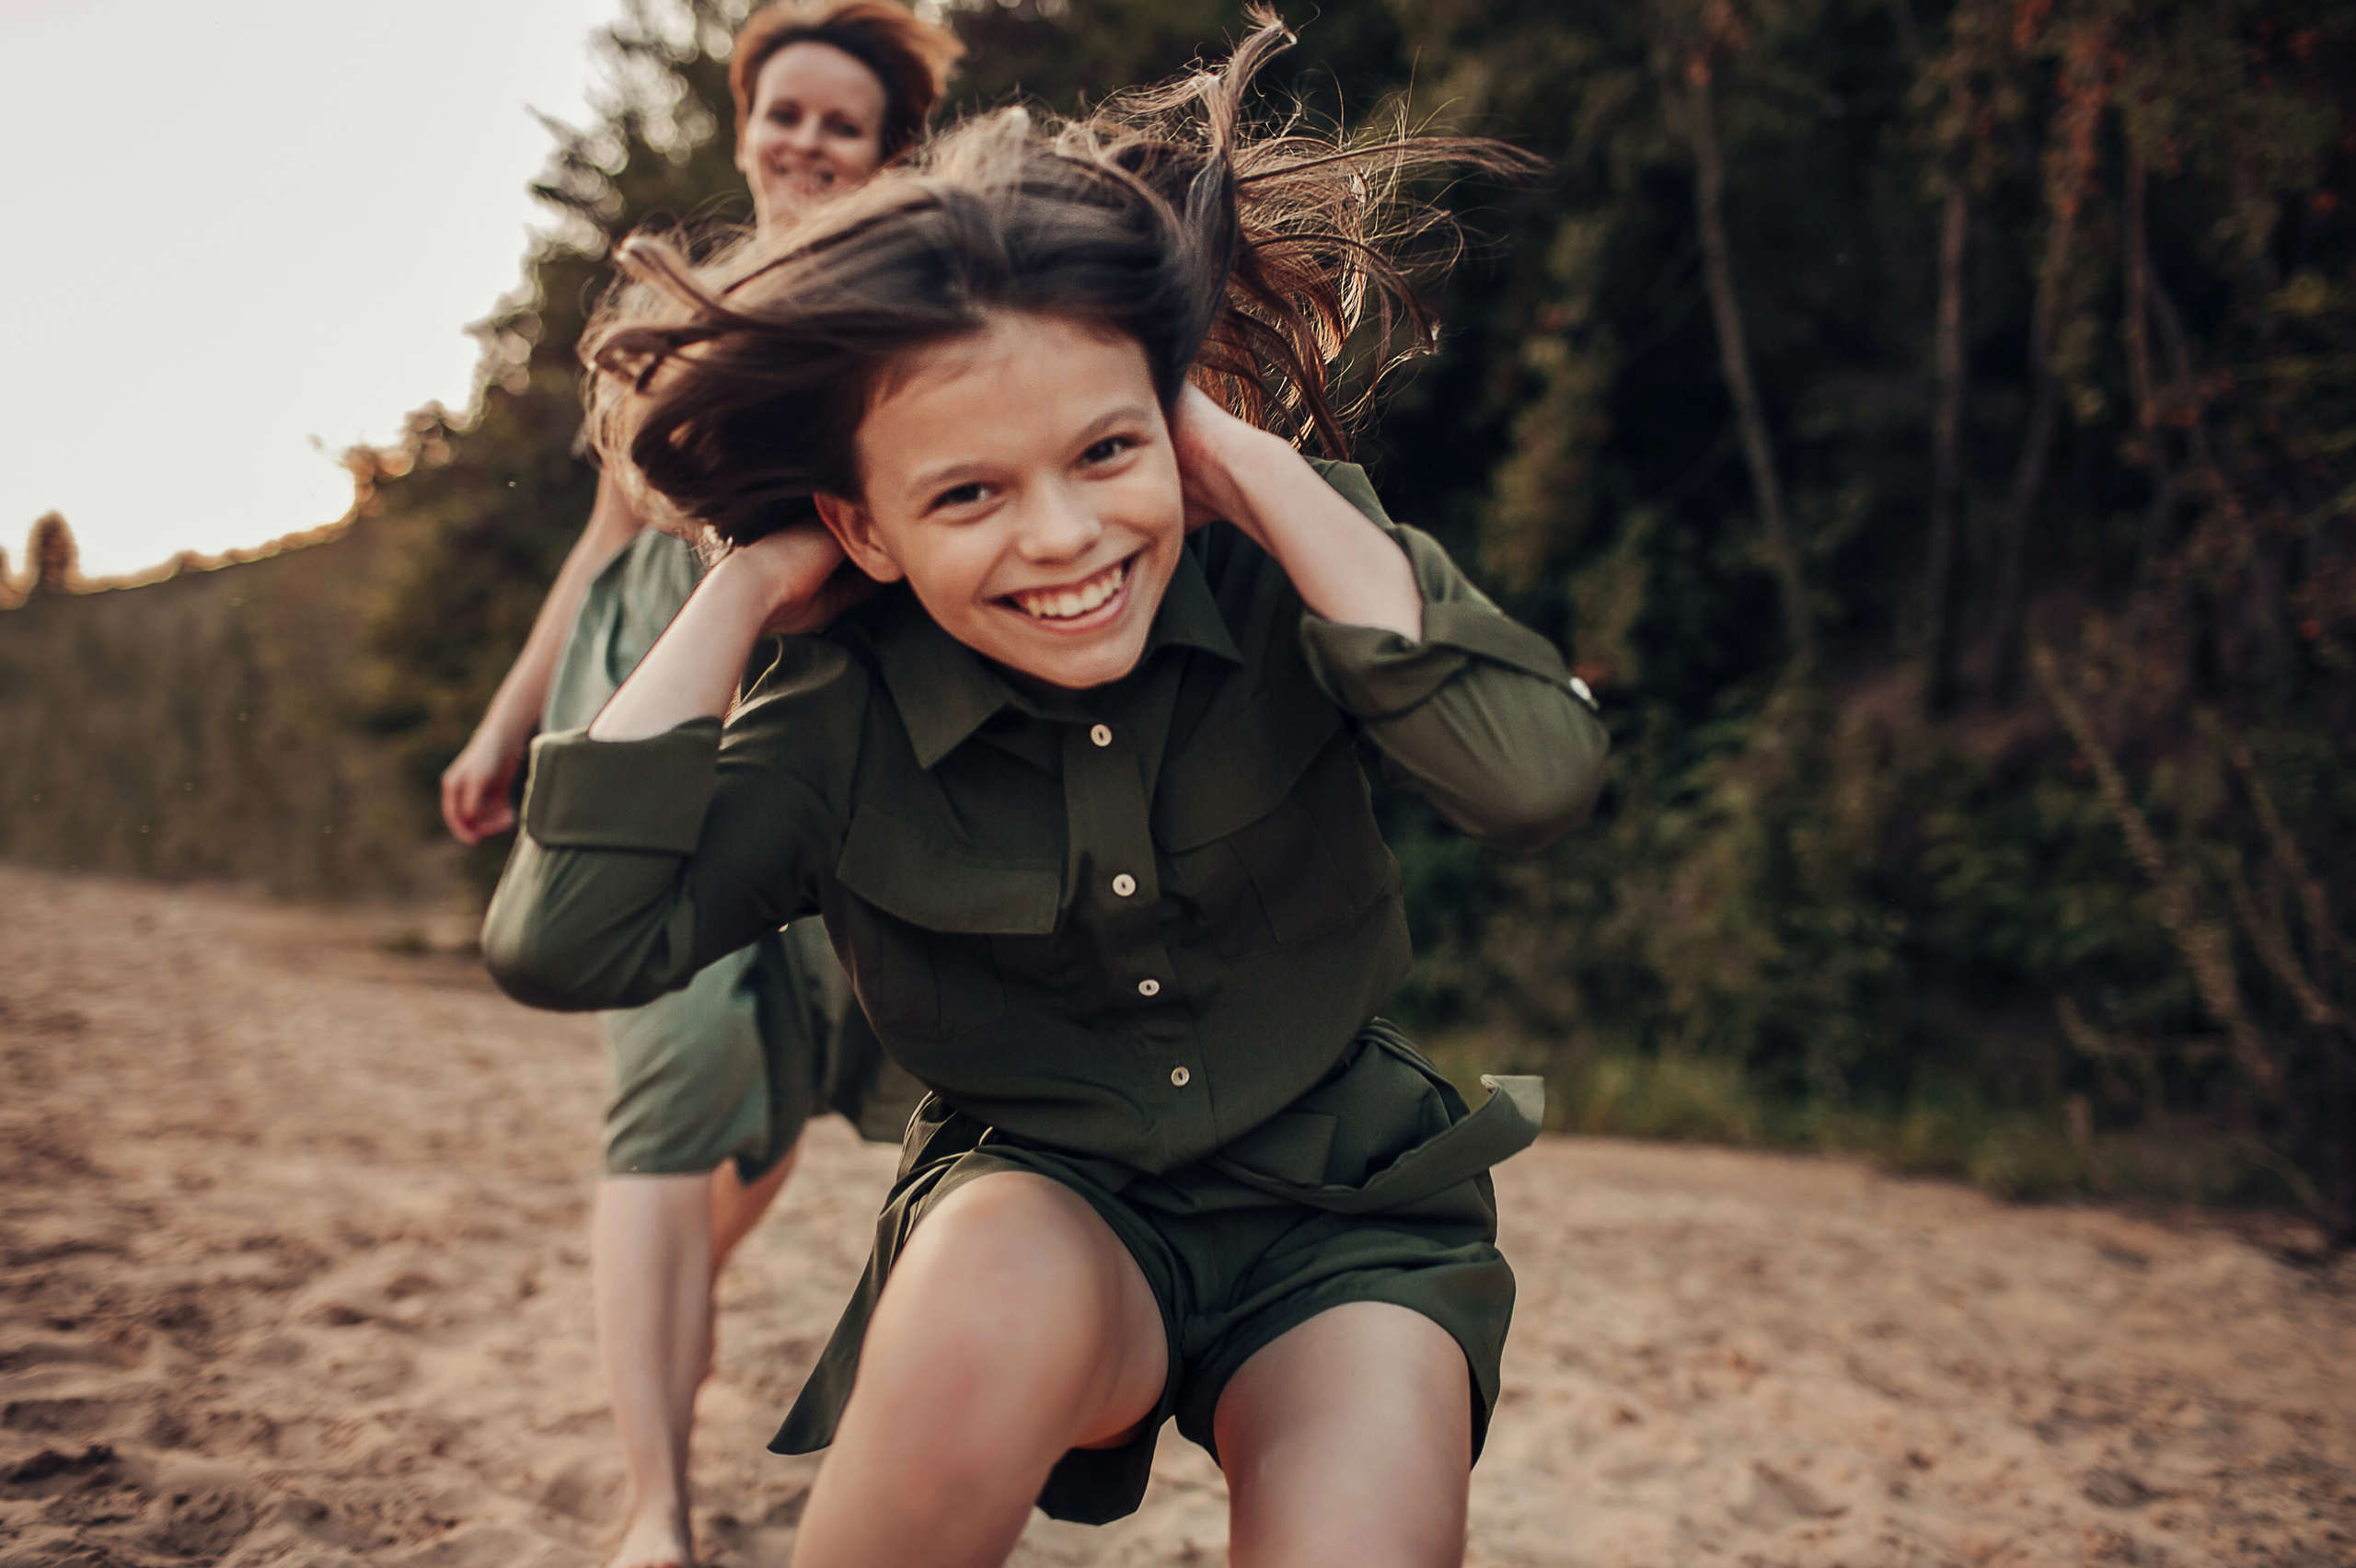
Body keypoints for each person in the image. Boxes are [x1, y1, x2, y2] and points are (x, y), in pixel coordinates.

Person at [483, 16, 1610, 1567]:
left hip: (1346, 1217)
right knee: (986, 1282)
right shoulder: (838, 707)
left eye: (1104, 451)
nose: (1065, 538)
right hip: (1047, 1215)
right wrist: (745, 593)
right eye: (966, 493)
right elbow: (566, 942)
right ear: (864, 528)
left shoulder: (1289, 572)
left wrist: (1247, 467)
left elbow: (1535, 776)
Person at [438, 6, 960, 1567]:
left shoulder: (911, 295)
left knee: (782, 1098)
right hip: (651, 679)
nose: (803, 141)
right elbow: (603, 548)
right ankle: (655, 1505)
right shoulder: (674, 300)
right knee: (669, 1093)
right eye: (782, 114)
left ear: (886, 150)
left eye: (839, 124)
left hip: (821, 705)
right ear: (744, 126)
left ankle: (661, 1285)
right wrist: (505, 722)